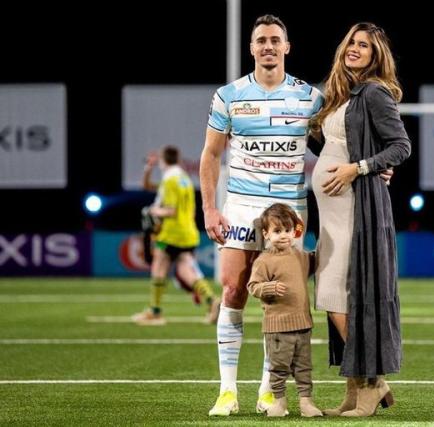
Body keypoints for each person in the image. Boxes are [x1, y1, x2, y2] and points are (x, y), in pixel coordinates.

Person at [199, 14, 324, 416]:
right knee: (233, 292)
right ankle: (228, 392)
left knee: (282, 302)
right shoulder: (229, 95)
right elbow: (211, 155)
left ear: (287, 47)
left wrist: (374, 166)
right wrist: (209, 207)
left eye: (275, 40)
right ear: (251, 48)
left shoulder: (310, 97)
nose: (268, 46)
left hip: (288, 213)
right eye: (261, 41)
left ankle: (270, 390)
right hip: (241, 206)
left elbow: (332, 148)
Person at [309, 22, 411, 417]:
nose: (355, 49)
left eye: (364, 45)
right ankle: (355, 388)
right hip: (331, 213)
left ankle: (373, 382)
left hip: (356, 209)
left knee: (338, 295)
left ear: (375, 54)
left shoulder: (374, 93)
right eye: (352, 42)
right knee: (336, 296)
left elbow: (400, 146)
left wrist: (360, 168)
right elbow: (330, 143)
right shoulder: (339, 94)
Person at [246, 203, 323, 417]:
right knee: (279, 367)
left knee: (304, 367)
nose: (284, 236)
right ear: (266, 234)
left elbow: (318, 259)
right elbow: (252, 286)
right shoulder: (264, 261)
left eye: (288, 230)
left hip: (303, 324)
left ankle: (306, 403)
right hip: (278, 327)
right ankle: (279, 403)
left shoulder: (300, 256)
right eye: (277, 231)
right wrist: (269, 287)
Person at [132, 146, 221, 326]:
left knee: (159, 266)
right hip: (188, 232)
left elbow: (170, 211)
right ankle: (211, 300)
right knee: (185, 269)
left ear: (163, 161)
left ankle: (155, 311)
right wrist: (148, 170)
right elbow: (148, 186)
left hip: (171, 234)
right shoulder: (183, 178)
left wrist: (153, 210)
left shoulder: (169, 180)